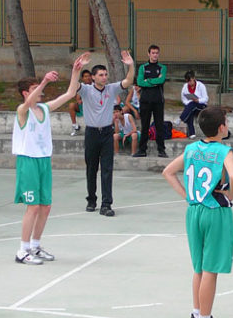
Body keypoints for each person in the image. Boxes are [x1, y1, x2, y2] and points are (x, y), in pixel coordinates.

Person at [163, 106, 233, 318]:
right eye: (226, 122)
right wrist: (229, 197)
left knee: (198, 267)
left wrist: (187, 194)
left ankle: (197, 315)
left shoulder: (191, 149)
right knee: (211, 269)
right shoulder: (224, 151)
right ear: (221, 128)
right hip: (214, 211)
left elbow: (168, 172)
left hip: (194, 210)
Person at [13, 52, 90, 265]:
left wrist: (75, 71)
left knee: (45, 206)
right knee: (33, 207)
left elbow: (69, 93)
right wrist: (45, 81)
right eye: (34, 89)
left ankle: (36, 246)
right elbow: (28, 102)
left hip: (43, 160)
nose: (40, 93)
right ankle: (22, 250)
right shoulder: (22, 111)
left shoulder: (45, 109)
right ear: (25, 93)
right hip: (27, 161)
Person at [78, 51, 136, 217]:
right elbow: (73, 85)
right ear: (93, 77)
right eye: (101, 75)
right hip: (91, 133)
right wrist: (79, 68)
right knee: (91, 168)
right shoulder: (86, 90)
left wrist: (130, 65)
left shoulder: (111, 88)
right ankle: (91, 199)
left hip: (106, 133)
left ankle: (106, 204)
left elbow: (128, 81)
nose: (104, 77)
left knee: (107, 169)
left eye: (105, 74)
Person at [133, 45, 167, 158]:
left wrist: (149, 81)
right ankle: (142, 150)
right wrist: (154, 82)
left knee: (159, 126)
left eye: (157, 53)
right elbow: (140, 82)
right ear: (148, 54)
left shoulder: (162, 67)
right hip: (145, 101)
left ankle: (161, 150)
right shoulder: (143, 67)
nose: (155, 55)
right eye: (153, 53)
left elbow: (161, 80)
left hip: (158, 100)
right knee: (145, 126)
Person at [177, 70, 208, 139]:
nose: (190, 83)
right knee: (190, 109)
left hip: (201, 106)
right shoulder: (185, 87)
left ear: (194, 78)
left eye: (191, 81)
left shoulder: (201, 86)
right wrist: (188, 103)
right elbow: (183, 99)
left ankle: (181, 118)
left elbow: (206, 99)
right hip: (190, 105)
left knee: (192, 105)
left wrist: (198, 100)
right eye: (188, 81)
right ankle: (192, 134)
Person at [68, 69, 92, 136]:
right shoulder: (81, 86)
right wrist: (79, 100)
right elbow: (78, 98)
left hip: (92, 107)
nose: (88, 78)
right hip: (83, 106)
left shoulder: (95, 85)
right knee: (71, 105)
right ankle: (75, 126)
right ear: (83, 78)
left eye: (89, 76)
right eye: (85, 76)